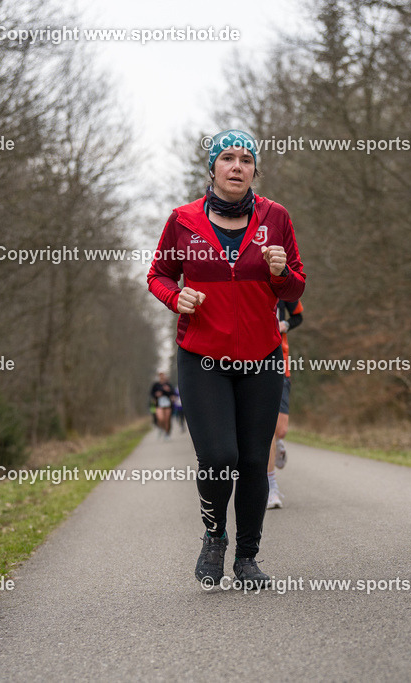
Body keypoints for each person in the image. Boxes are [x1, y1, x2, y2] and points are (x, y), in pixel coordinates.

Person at [147, 129, 305, 588]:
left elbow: (296, 287)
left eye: (246, 159)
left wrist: (280, 273)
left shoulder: (276, 218)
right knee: (218, 456)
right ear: (212, 168)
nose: (238, 166)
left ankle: (248, 557)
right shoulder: (184, 220)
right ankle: (214, 538)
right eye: (228, 158)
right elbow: (158, 275)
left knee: (254, 460)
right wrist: (177, 299)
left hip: (261, 356)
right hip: (203, 356)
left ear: (255, 169)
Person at [267, 299, 303, 509]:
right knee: (268, 431)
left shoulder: (284, 285)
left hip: (281, 362)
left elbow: (298, 316)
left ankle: (279, 443)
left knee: (280, 430)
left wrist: (286, 325)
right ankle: (272, 488)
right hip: (254, 361)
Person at [150, 372, 176, 438]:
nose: (162, 377)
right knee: (161, 418)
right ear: (159, 377)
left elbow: (173, 393)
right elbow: (151, 393)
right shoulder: (156, 385)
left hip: (167, 404)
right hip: (159, 404)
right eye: (160, 376)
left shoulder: (168, 384)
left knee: (167, 419)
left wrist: (168, 391)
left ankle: (167, 433)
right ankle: (162, 428)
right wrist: (156, 395)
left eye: (163, 376)